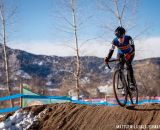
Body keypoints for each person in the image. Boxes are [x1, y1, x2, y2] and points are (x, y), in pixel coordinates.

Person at [105, 26, 135, 94]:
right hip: (120, 54)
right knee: (119, 68)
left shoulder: (129, 38)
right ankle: (124, 87)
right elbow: (111, 50)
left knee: (128, 65)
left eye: (121, 37)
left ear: (124, 35)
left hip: (130, 52)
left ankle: (131, 83)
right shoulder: (114, 41)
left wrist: (129, 54)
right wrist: (107, 58)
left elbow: (133, 49)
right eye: (118, 37)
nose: (120, 39)